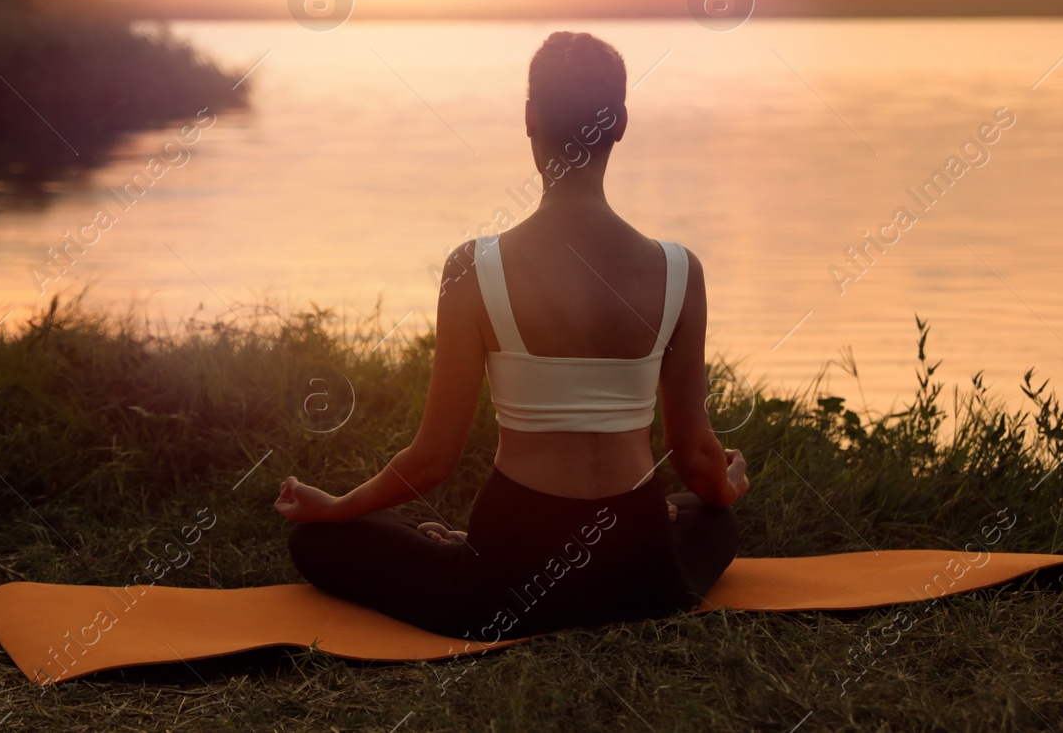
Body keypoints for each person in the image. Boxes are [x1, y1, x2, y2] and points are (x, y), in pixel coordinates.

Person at [275, 31, 748, 642]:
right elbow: (695, 455)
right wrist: (723, 488)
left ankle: (462, 553)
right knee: (712, 519)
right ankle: (631, 546)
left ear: (529, 119)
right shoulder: (681, 271)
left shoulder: (473, 267)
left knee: (317, 542)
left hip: (507, 578)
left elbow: (433, 460)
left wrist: (339, 508)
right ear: (621, 123)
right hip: (641, 569)